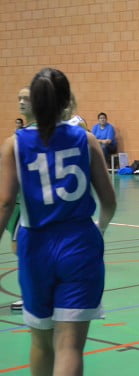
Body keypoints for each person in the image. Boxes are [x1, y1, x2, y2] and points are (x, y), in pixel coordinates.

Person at [0, 68, 116, 375]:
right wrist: (99, 230)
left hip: (35, 246)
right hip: (79, 243)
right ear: (68, 100)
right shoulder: (87, 140)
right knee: (69, 347)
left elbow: (5, 202)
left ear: (33, 104)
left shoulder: (14, 144)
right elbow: (109, 201)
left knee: (41, 343)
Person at [8, 88, 35, 312]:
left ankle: (31, 295)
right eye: (19, 98)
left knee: (22, 249)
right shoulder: (16, 140)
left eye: (26, 98)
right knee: (20, 249)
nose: (21, 102)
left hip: (26, 209)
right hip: (18, 207)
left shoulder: (26, 140)